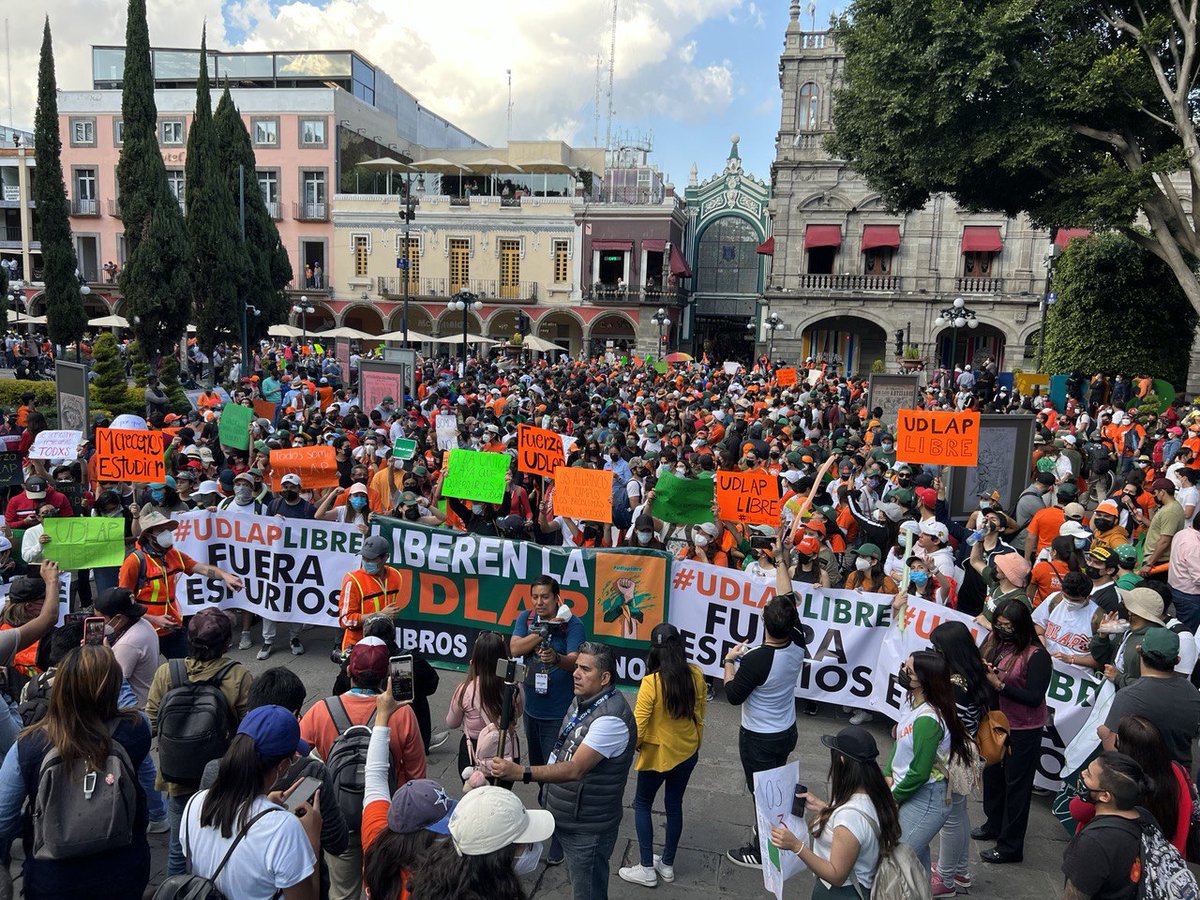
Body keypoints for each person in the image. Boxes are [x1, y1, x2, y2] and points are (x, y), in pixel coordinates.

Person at [0, 644, 151, 900]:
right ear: (112, 687)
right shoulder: (136, 730)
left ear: (60, 686)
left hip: (53, 880)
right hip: (123, 872)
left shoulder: (29, 745)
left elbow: (3, 819)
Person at [490, 642, 634, 900]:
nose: (575, 673)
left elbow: (576, 768)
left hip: (586, 829)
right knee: (578, 882)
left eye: (585, 669)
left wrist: (521, 772)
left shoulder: (611, 719)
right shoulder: (583, 699)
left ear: (605, 678)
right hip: (569, 815)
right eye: (576, 667)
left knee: (587, 892)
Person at [300, 636, 426, 900]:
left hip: (338, 819)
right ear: (387, 675)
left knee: (342, 892)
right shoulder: (403, 713)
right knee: (384, 889)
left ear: (348, 671)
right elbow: (417, 775)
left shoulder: (321, 710)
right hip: (387, 822)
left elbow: (295, 757)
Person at [146, 607, 254, 877]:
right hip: (222, 776)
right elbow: (247, 729)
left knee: (177, 849)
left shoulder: (166, 672)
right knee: (223, 845)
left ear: (189, 640)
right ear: (227, 643)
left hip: (176, 776)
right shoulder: (238, 675)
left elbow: (152, 723)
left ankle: (175, 891)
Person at [181, 705, 323, 900]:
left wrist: (264, 805)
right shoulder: (284, 828)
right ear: (282, 766)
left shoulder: (196, 803)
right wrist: (313, 840)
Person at [724, 575, 806, 868]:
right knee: (775, 784)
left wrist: (729, 661)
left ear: (763, 621)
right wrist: (781, 561)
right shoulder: (799, 640)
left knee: (761, 793)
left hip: (759, 737)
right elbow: (788, 596)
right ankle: (775, 828)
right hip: (786, 730)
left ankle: (762, 850)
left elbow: (733, 695)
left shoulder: (756, 659)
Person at [619, 623, 706, 887]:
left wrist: (635, 748)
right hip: (687, 751)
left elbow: (639, 724)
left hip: (657, 756)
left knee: (643, 803)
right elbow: (700, 713)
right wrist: (696, 743)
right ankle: (667, 864)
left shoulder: (651, 683)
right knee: (674, 805)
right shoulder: (696, 674)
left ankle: (646, 867)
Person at [769, 726, 901, 899]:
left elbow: (837, 875)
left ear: (842, 760)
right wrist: (824, 807)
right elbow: (861, 826)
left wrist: (796, 846)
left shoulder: (848, 818)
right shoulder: (877, 794)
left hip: (840, 893)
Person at [508, 574, 585, 863]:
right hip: (532, 710)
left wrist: (557, 659)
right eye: (535, 597)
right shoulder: (526, 618)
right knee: (541, 771)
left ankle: (560, 835)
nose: (539, 602)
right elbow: (515, 648)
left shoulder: (572, 624)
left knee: (556, 776)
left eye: (545, 597)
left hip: (559, 713)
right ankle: (547, 818)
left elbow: (576, 662)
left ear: (557, 598)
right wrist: (542, 633)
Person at [884, 649, 974, 871]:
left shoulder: (928, 720)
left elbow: (920, 772)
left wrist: (893, 797)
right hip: (909, 790)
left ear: (925, 680)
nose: (903, 671)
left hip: (925, 798)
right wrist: (888, 772)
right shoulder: (912, 703)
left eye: (909, 671)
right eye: (905, 665)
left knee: (897, 860)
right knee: (916, 862)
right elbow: (900, 741)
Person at [976, 599, 1051, 863]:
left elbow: (1034, 697)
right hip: (994, 722)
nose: (1001, 629)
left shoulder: (1037, 656)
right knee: (992, 777)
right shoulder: (993, 642)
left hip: (1023, 729)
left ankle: (1010, 846)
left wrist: (1000, 685)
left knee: (1017, 787)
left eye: (1007, 625)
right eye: (998, 624)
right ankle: (993, 824)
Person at [363, 688, 455, 900]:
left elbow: (375, 776)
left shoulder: (376, 839)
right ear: (424, 836)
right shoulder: (433, 885)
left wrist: (383, 715)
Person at [118, 509, 244, 659]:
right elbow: (124, 603)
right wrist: (154, 619)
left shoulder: (173, 555)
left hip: (173, 627)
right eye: (161, 531)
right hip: (145, 630)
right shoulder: (134, 562)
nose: (167, 534)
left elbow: (203, 569)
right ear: (148, 535)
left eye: (168, 529)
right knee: (148, 672)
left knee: (187, 666)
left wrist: (225, 576)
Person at [406, 784, 555, 900]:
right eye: (526, 844)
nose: (532, 848)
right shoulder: (497, 892)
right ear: (498, 858)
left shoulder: (435, 877)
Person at [930, 621, 991, 896]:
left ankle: (945, 877)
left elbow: (951, 724)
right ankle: (959, 870)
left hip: (953, 755)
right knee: (959, 813)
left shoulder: (956, 684)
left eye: (937, 649)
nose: (934, 653)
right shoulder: (973, 674)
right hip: (966, 753)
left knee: (950, 818)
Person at [1074, 715, 1192, 853]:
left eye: (1113, 733)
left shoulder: (1115, 779)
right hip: (1162, 855)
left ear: (1121, 747)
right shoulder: (1177, 771)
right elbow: (1184, 817)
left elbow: (1077, 811)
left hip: (1109, 853)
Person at [1099, 627, 1200, 770]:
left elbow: (1112, 748)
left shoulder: (1128, 696)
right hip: (1178, 777)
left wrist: (1103, 734)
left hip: (1142, 777)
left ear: (1139, 650)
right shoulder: (1192, 692)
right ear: (1177, 660)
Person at [1060, 752, 1154, 900]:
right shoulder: (1146, 818)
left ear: (1105, 796)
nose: (1082, 774)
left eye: (1089, 775)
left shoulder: (1094, 841)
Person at [447, 631, 524, 781]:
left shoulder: (465, 690)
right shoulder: (514, 686)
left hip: (473, 753)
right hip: (506, 752)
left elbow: (452, 723)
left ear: (475, 658)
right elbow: (519, 712)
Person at [1090, 586, 1168, 688]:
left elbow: (1153, 686)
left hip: (1130, 696)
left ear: (1135, 612)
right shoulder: (1126, 630)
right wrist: (1102, 636)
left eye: (1127, 604)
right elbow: (1102, 658)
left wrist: (1119, 678)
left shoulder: (1154, 641)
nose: (1123, 604)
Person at [337, 535, 405, 650]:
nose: (366, 562)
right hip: (358, 647)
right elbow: (345, 620)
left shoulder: (396, 575)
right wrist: (380, 615)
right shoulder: (352, 580)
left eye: (371, 559)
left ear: (385, 557)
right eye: (364, 557)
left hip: (385, 645)